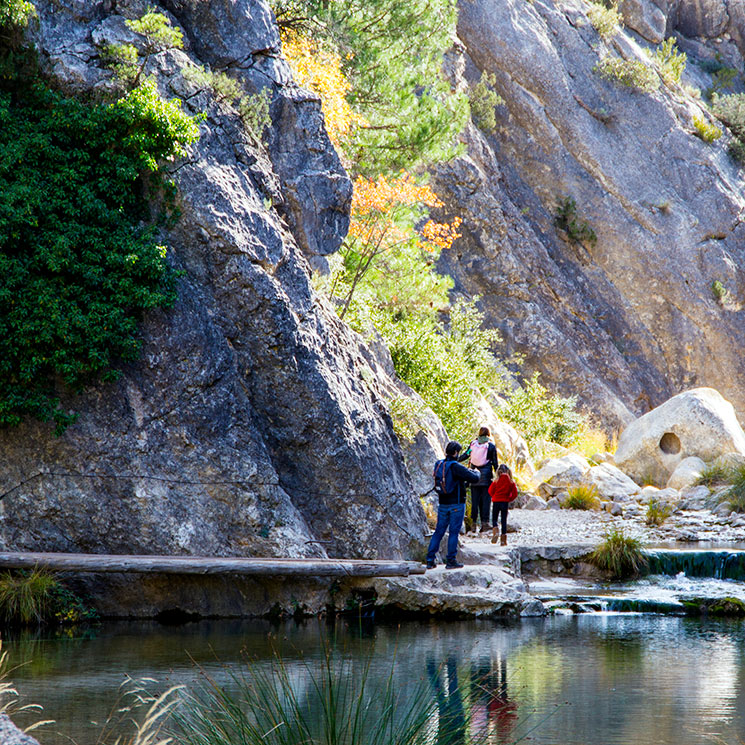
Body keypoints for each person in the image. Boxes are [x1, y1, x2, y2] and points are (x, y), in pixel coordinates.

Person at [426, 441, 480, 569]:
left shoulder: (439, 464)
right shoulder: (456, 466)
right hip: (456, 504)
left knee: (439, 531)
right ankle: (450, 561)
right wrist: (476, 471)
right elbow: (475, 478)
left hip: (443, 503)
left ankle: (429, 560)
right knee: (453, 533)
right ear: (456, 453)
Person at [463, 426, 499, 534]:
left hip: (474, 476)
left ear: (479, 433)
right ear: (488, 434)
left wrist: (454, 459)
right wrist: (498, 477)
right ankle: (485, 524)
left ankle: (473, 524)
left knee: (475, 500)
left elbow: (466, 454)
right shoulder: (491, 446)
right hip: (486, 477)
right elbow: (495, 463)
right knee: (486, 501)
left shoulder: (473, 444)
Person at [488, 464, 518, 546]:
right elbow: (515, 494)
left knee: (495, 518)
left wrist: (494, 496)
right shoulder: (511, 482)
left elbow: (490, 491)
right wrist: (509, 499)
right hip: (505, 502)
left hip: (496, 501)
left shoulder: (496, 481)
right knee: (503, 520)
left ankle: (495, 531)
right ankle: (503, 540)